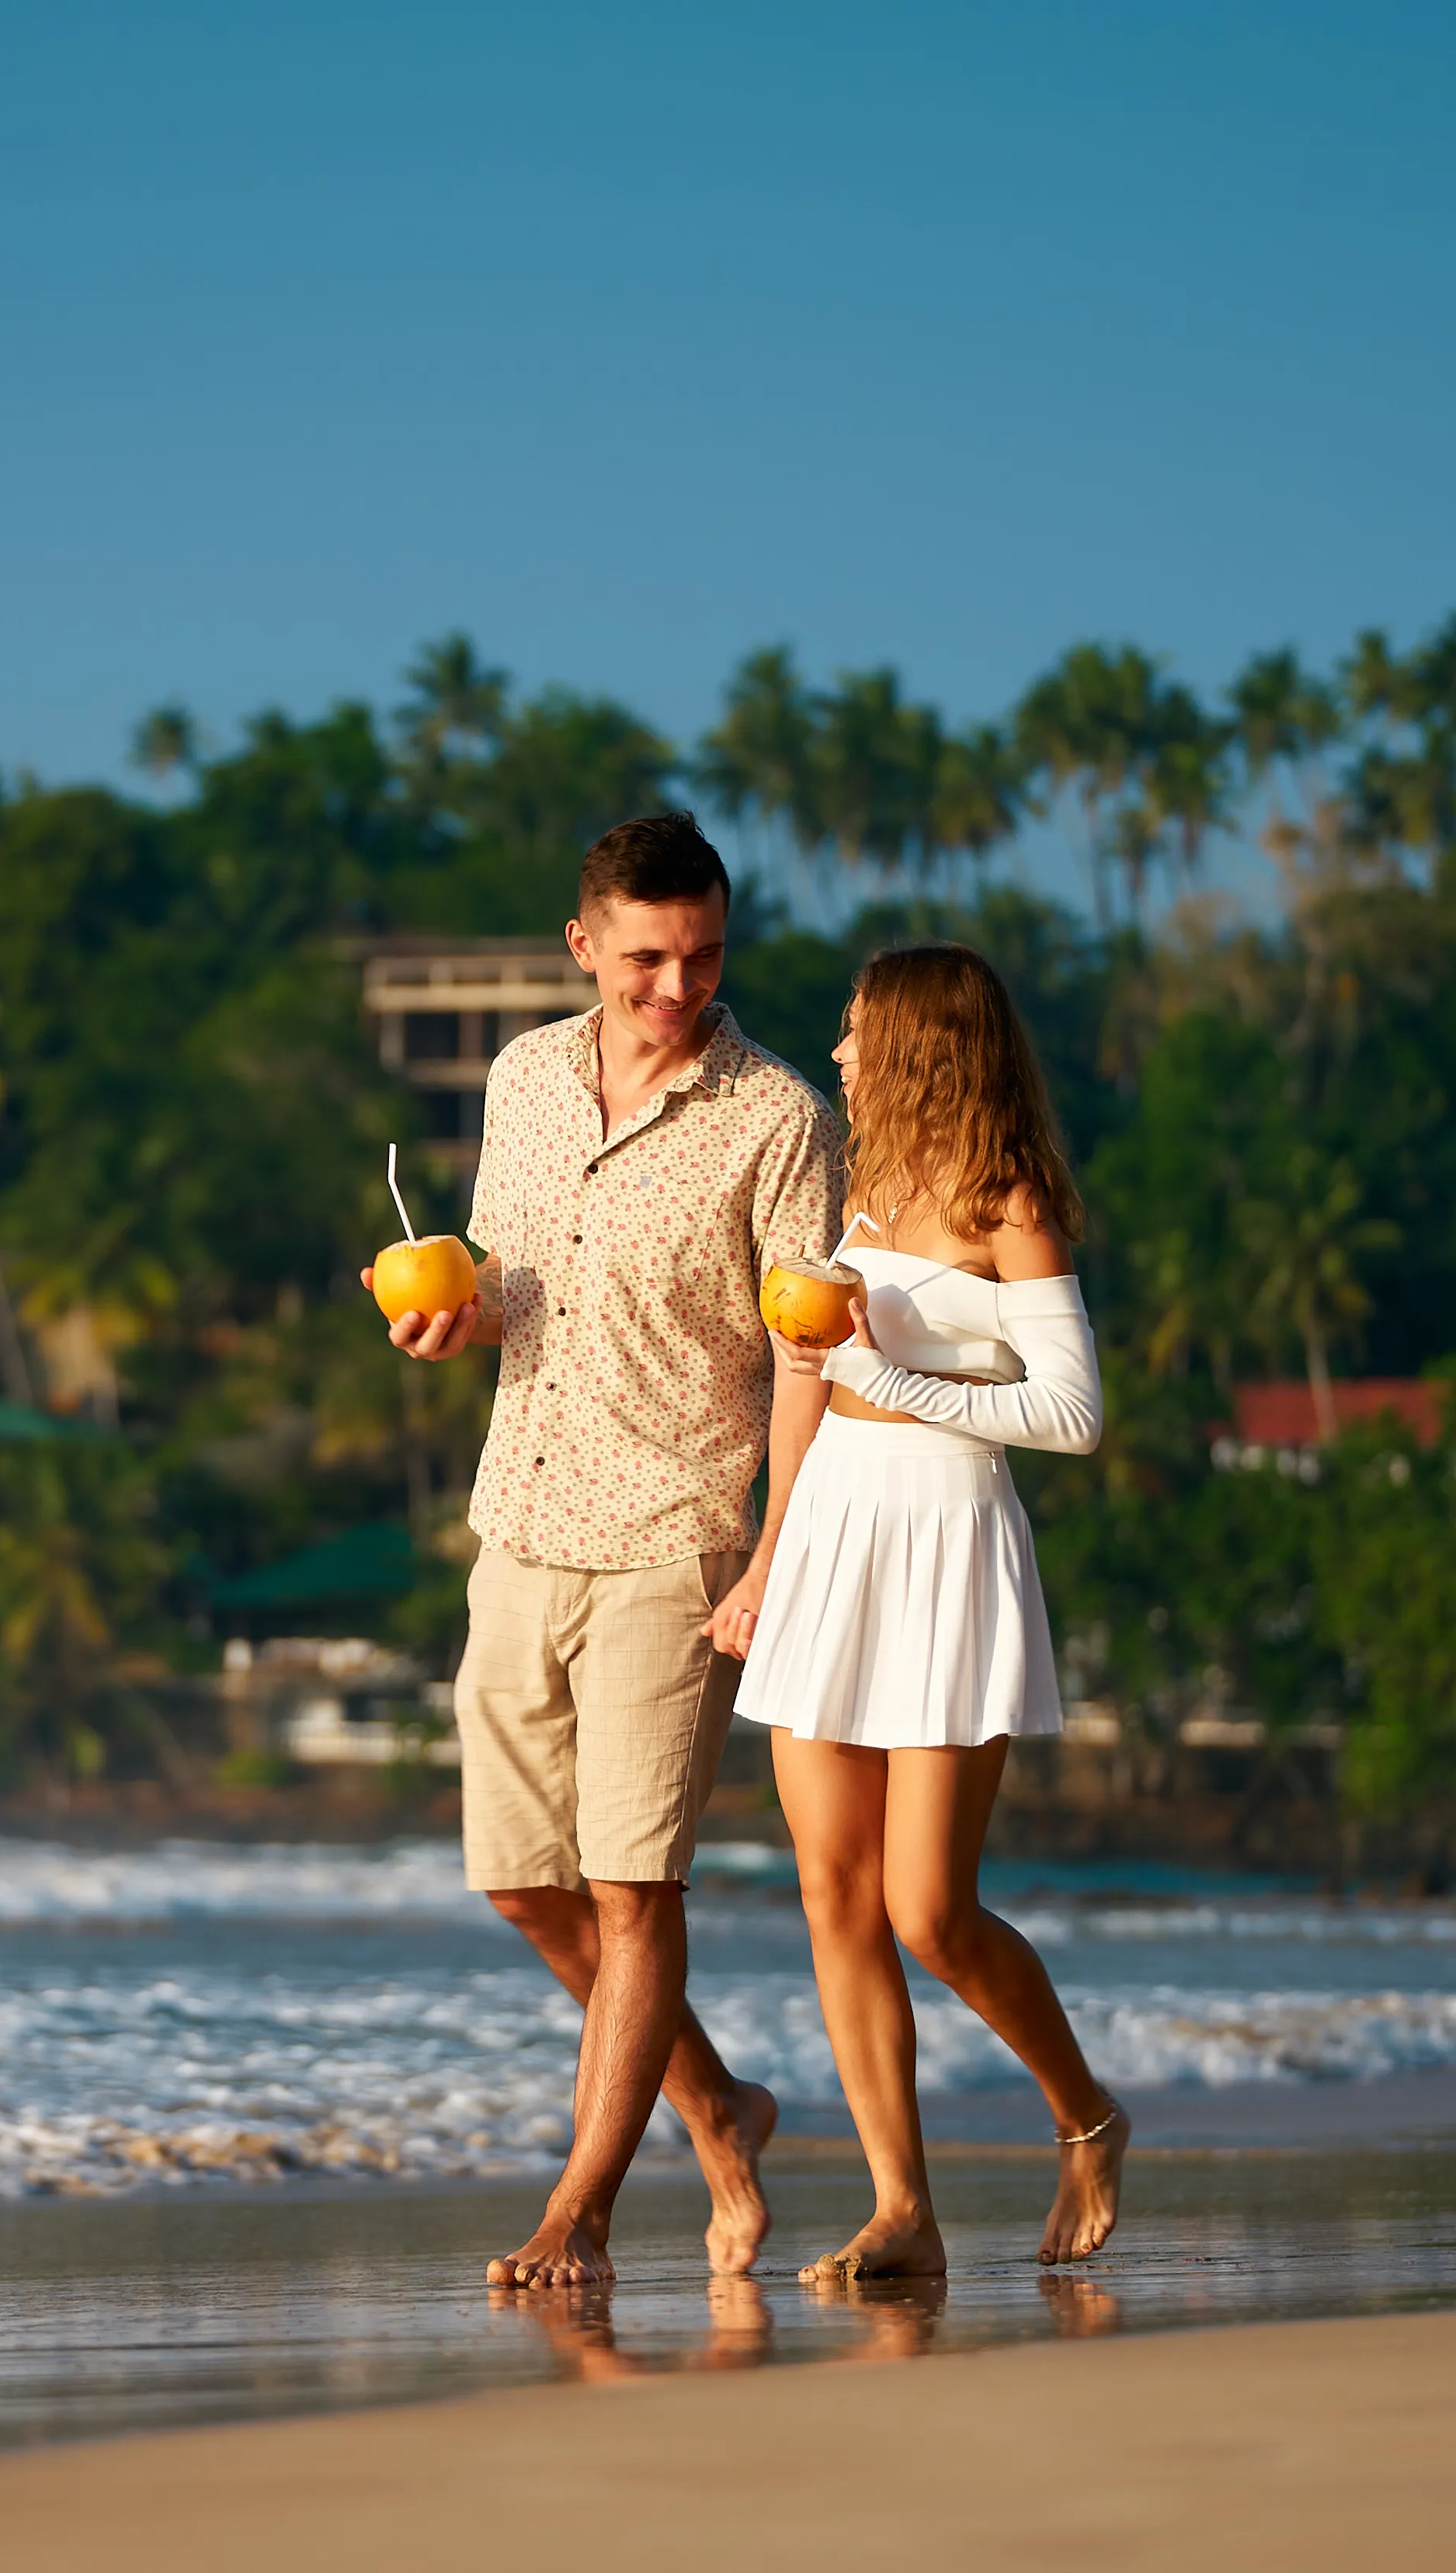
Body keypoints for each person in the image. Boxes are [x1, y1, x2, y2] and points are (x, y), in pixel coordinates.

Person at [369, 809, 841, 2289]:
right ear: (584, 945)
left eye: (703, 955)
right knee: (525, 1886)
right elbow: (511, 1282)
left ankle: (577, 2211)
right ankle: (720, 2109)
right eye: (646, 959)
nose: (677, 987)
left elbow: (809, 1356)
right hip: (519, 1523)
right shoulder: (522, 1077)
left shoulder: (781, 1118)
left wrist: (771, 1556)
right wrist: (450, 1316)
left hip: (677, 1543)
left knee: (637, 1890)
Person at [731, 941, 1128, 2277]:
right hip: (833, 1532)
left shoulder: (1010, 1201)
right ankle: (902, 2206)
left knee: (929, 1912)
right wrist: (771, 1556)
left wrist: (891, 1377)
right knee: (831, 1893)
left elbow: (1072, 1414)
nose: (839, 1053)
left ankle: (1088, 2117)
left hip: (949, 1536)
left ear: (918, 1046)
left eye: (856, 1032)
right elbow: (809, 1384)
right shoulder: (860, 1188)